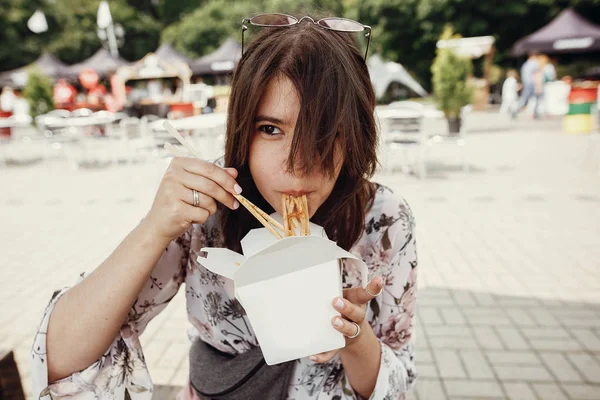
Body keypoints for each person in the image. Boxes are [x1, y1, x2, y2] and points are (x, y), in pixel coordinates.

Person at [32, 13, 418, 400]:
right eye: (270, 129)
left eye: (324, 132)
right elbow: (60, 359)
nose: (295, 165)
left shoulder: (383, 219)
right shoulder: (208, 204)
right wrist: (155, 227)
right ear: (241, 130)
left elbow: (397, 382)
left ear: (355, 136)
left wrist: (355, 335)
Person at [512, 51, 540, 119]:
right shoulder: (534, 63)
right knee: (535, 98)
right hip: (532, 84)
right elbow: (536, 75)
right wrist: (538, 85)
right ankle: (535, 113)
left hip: (526, 83)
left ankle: (515, 111)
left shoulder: (525, 64)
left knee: (525, 98)